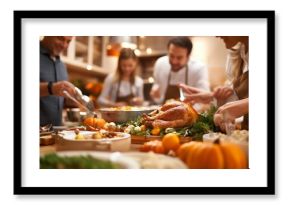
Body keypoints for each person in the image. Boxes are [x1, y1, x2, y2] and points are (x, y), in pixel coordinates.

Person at [180, 36, 249, 130]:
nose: (216, 35)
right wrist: (213, 97)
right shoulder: (238, 52)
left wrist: (246, 105)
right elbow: (241, 96)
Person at [150, 36, 209, 104]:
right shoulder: (160, 63)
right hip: (163, 109)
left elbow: (204, 98)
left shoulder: (199, 68)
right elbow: (156, 85)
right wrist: (155, 93)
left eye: (179, 58)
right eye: (171, 56)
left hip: (188, 111)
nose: (174, 61)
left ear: (188, 56)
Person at [40, 36, 77, 126]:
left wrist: (70, 100)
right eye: (60, 38)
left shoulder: (62, 65)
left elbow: (60, 98)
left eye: (68, 41)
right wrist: (51, 88)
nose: (64, 45)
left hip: (55, 131)